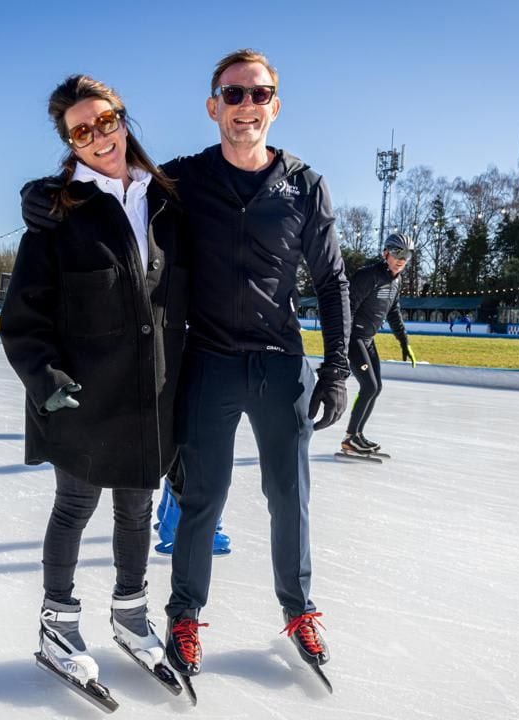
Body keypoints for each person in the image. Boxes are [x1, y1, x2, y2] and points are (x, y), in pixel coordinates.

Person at [23, 49, 351, 681]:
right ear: (213, 106)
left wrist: (338, 367)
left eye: (258, 95)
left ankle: (299, 608)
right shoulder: (183, 182)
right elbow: (112, 187)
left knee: (290, 496)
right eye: (233, 95)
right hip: (208, 362)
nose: (246, 106)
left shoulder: (305, 184)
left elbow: (333, 280)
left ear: (275, 105)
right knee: (202, 499)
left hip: (281, 362)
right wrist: (42, 193)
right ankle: (183, 616)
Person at [0, 74, 188, 695]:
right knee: (76, 506)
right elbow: (22, 315)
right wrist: (46, 380)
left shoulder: (162, 197)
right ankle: (58, 623)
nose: (98, 137)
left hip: (147, 390)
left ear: (123, 119)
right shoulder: (58, 211)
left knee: (136, 506)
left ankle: (131, 613)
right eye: (81, 131)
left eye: (105, 122)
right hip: (79, 392)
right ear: (70, 143)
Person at [340, 233, 416, 455]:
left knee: (376, 387)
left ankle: (356, 435)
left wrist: (404, 342)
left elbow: (393, 312)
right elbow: (348, 308)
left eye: (407, 254)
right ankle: (349, 438)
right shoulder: (368, 276)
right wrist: (342, 345)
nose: (402, 259)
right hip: (354, 338)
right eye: (398, 253)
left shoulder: (397, 280)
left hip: (368, 340)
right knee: (370, 386)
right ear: (386, 254)